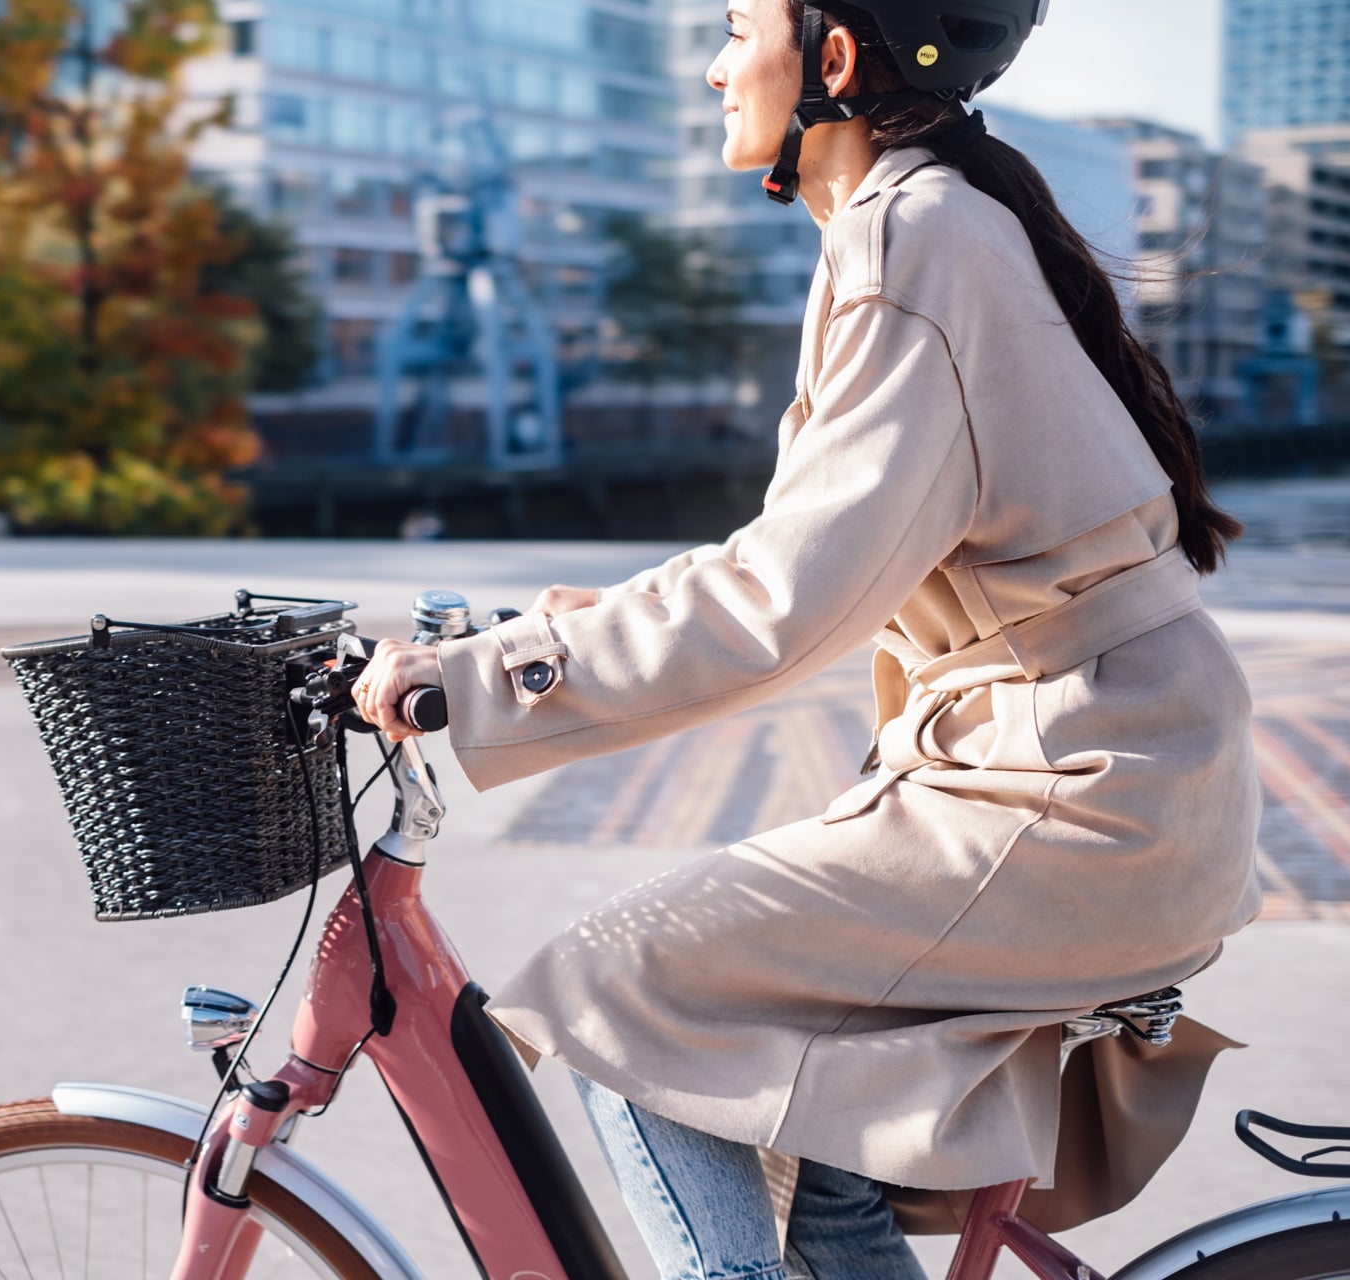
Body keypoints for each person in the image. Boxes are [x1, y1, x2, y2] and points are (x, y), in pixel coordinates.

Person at [353, 2, 1263, 1276]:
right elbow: (803, 556)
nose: (719, 66)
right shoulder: (929, 222)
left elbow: (782, 599)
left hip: (1076, 801)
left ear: (831, 62)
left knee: (620, 993)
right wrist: (551, 633)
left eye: (737, 30)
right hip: (1101, 778)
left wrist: (479, 680)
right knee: (806, 1135)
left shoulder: (914, 237)